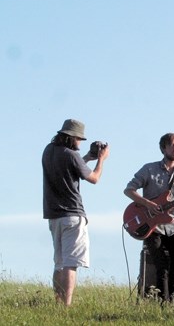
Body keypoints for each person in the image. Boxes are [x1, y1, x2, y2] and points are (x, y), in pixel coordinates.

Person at [123, 132, 174, 301]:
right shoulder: (149, 169)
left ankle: (172, 296)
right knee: (161, 265)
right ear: (163, 148)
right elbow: (129, 190)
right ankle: (163, 300)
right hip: (151, 225)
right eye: (172, 145)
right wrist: (148, 204)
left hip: (172, 223)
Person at [42, 119, 110, 306]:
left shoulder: (48, 150)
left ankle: (57, 302)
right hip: (72, 214)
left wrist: (88, 156)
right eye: (79, 139)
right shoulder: (71, 155)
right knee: (71, 263)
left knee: (59, 263)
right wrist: (102, 159)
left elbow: (71, 167)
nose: (79, 142)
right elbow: (94, 178)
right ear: (72, 138)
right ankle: (66, 305)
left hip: (53, 215)